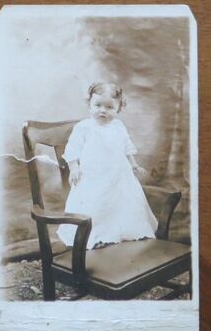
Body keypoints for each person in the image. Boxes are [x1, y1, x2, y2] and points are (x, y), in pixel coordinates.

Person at [57, 82, 159, 249]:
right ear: (89, 104)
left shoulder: (118, 126)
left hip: (118, 176)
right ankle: (95, 237)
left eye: (110, 107)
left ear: (119, 108)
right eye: (98, 105)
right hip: (93, 176)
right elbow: (72, 150)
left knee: (121, 205)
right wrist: (74, 168)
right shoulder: (84, 127)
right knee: (96, 206)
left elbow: (126, 147)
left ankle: (119, 233)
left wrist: (133, 164)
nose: (103, 110)